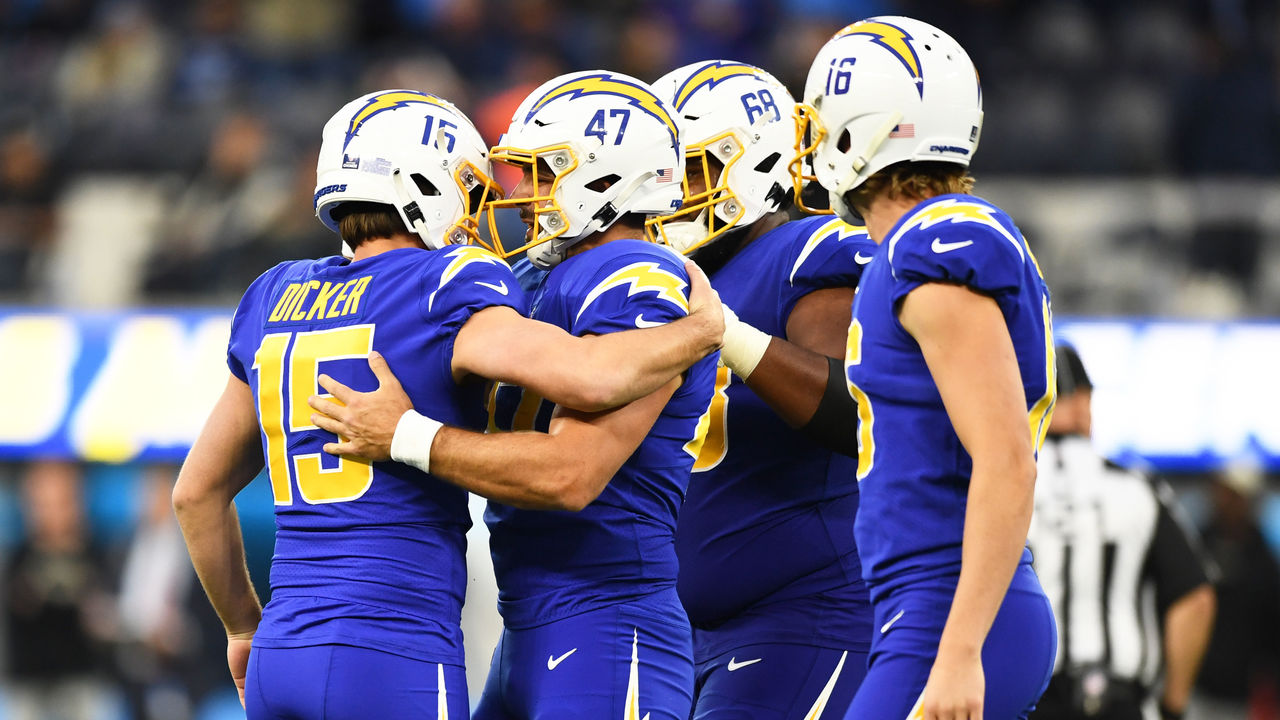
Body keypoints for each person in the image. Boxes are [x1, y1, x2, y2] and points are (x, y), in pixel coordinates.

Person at [173, 88, 722, 719]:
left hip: (283, 648)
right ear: (425, 185)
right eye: (471, 186)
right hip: (391, 648)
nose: (503, 203)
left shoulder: (272, 292)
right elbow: (592, 378)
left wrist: (244, 628)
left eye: (541, 175)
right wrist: (705, 330)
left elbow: (194, 493)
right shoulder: (443, 285)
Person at [793, 16, 1058, 719]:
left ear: (863, 130)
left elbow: (1006, 460)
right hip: (927, 602)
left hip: (949, 604)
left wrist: (961, 648)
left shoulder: (932, 248)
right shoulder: (912, 249)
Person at [642, 59, 875, 718]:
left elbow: (859, 413)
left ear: (756, 162)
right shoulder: (672, 282)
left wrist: (732, 337)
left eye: (689, 171)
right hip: (700, 634)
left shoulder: (808, 249)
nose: (667, 193)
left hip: (813, 615)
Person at [1027, 344, 1216, 720]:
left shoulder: (996, 487)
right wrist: (1172, 705)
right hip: (1117, 702)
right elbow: (1195, 599)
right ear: (1083, 403)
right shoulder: (1137, 488)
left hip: (1026, 700)